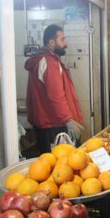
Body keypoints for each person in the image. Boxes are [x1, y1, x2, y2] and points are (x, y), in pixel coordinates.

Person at [25, 24, 83, 154]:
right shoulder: (50, 63)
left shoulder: (44, 59)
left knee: (48, 160)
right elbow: (55, 95)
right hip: (53, 124)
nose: (66, 42)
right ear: (52, 42)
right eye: (62, 39)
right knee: (59, 164)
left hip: (46, 122)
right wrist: (68, 119)